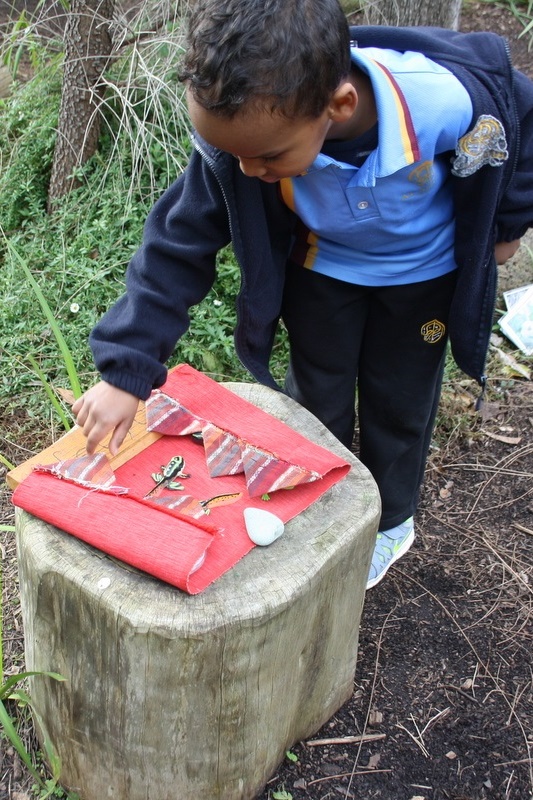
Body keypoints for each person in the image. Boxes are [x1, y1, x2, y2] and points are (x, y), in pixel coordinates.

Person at [72, 0, 533, 589]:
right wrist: (126, 370)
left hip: (423, 277)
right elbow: (176, 245)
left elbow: (519, 117)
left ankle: (389, 521)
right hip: (323, 270)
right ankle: (318, 503)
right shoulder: (244, 142)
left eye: (267, 158)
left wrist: (509, 225)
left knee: (401, 399)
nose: (247, 170)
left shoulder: (443, 102)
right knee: (317, 393)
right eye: (235, 156)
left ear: (338, 107)